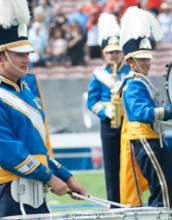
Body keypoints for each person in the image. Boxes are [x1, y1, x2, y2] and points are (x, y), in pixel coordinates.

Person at [0, 0, 86, 217]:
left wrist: (66, 176)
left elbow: (36, 148)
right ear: (0, 58)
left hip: (32, 187)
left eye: (27, 54)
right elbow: (8, 152)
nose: (27, 59)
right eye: (20, 54)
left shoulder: (25, 92)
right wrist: (49, 178)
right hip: (4, 191)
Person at [119, 6, 172, 207]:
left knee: (166, 185)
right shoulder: (133, 84)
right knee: (163, 187)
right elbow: (140, 113)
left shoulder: (143, 82)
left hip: (153, 138)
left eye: (147, 58)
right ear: (131, 62)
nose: (147, 63)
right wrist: (169, 111)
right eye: (142, 59)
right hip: (144, 140)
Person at [87, 13, 130, 206]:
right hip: (109, 123)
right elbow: (92, 101)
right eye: (110, 52)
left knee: (129, 164)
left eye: (117, 51)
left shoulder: (129, 72)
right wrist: (106, 112)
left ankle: (131, 199)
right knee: (112, 167)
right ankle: (114, 204)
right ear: (105, 54)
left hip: (128, 123)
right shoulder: (98, 75)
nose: (114, 55)